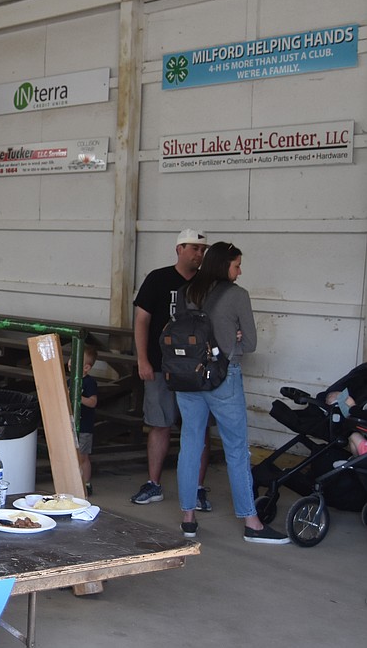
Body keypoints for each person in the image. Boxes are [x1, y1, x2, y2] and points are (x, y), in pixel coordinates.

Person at [176, 242, 288, 543]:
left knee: (190, 443)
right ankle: (252, 523)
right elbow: (249, 343)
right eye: (237, 265)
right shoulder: (237, 295)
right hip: (223, 377)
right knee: (236, 449)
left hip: (188, 377)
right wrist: (233, 340)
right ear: (224, 265)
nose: (240, 271)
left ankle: (188, 518)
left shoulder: (188, 292)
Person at [131, 228, 213, 508]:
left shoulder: (209, 284)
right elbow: (142, 319)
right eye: (194, 248)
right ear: (179, 249)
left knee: (199, 428)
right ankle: (154, 484)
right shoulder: (158, 279)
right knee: (159, 423)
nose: (199, 254)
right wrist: (143, 359)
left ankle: (198, 488)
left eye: (202, 250)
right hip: (160, 364)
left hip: (198, 369)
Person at [72, 345, 99, 494]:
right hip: (71, 423)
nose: (70, 362)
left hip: (84, 426)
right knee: (73, 454)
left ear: (86, 367)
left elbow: (93, 402)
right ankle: (74, 481)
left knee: (83, 456)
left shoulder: (89, 383)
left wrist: (78, 398)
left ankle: (86, 483)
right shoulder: (71, 381)